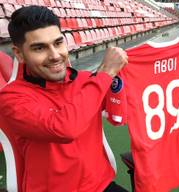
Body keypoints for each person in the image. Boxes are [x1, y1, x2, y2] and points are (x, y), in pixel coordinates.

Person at [0, 5, 128, 192]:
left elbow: (119, 115)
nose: (54, 55)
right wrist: (105, 73)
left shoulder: (85, 80)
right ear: (19, 54)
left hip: (101, 186)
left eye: (58, 43)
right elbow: (63, 129)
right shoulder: (11, 98)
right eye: (39, 48)